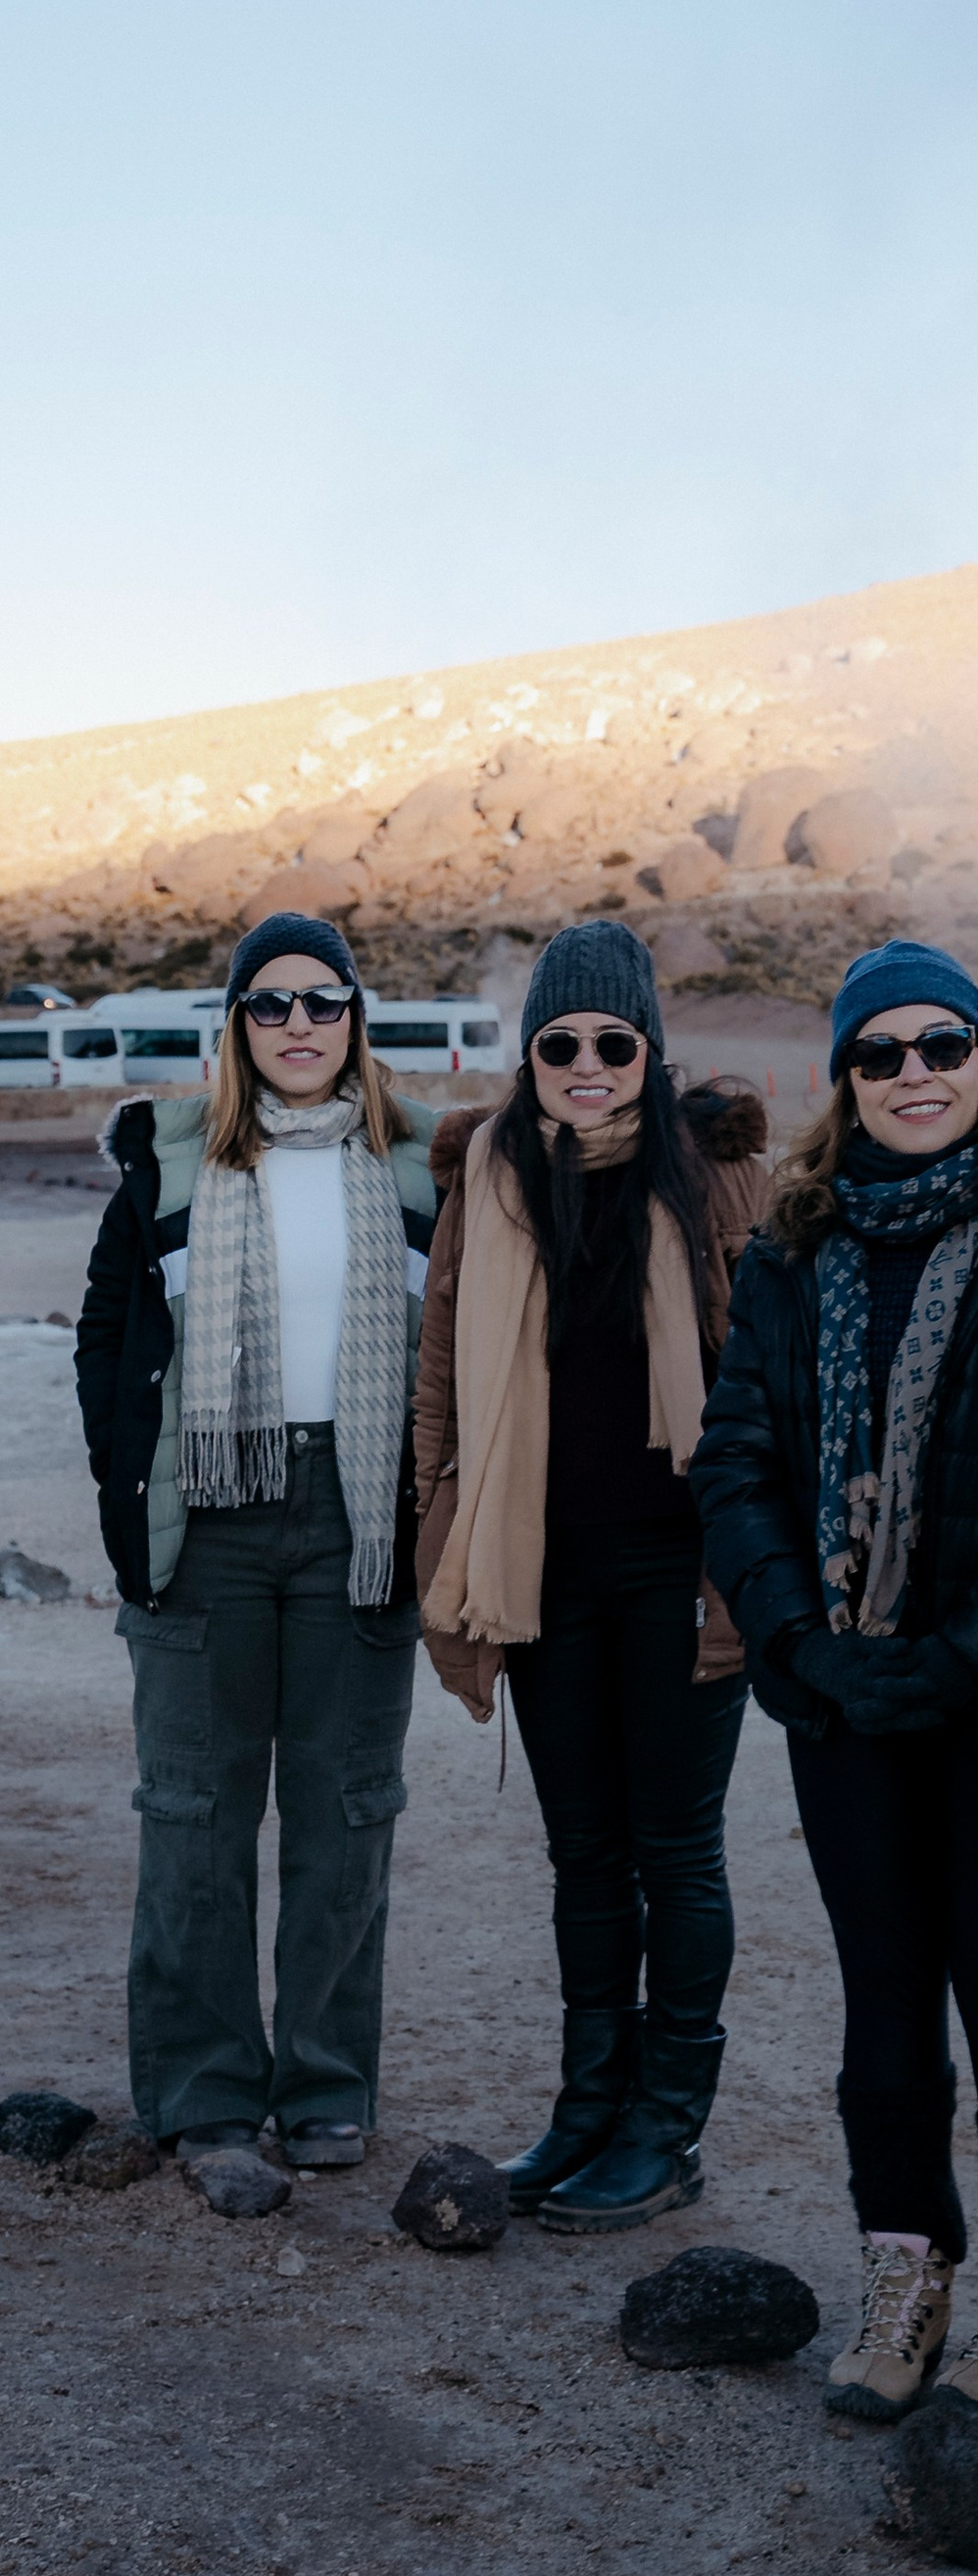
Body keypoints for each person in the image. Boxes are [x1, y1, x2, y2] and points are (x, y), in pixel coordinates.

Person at [690, 940, 978, 2429]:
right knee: (882, 2001)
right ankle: (905, 2266)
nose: (915, 1074)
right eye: (883, 1053)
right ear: (845, 1078)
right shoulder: (793, 1253)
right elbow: (737, 1463)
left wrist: (947, 1660)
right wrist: (802, 1646)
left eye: (943, 1045)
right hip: (841, 1698)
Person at [74, 913, 443, 2211]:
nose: (298, 1028)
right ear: (236, 1025)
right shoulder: (167, 1165)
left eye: (323, 1004)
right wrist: (133, 1514)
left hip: (357, 1517)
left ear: (358, 1019)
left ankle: (327, 2088)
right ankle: (208, 2097)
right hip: (205, 1525)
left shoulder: (418, 1166)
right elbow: (108, 1340)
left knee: (348, 1822)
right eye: (270, 1006)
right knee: (193, 1823)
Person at [415, 923, 768, 2235]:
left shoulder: (711, 1178)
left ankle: (667, 2130)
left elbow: (763, 1373)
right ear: (531, 1053)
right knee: (581, 1851)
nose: (584, 1064)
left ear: (649, 1052)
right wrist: (434, 1530)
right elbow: (443, 1375)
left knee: (676, 1852)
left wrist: (759, 1554)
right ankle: (587, 2104)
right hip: (539, 1568)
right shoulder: (490, 1177)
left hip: (683, 1569)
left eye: (612, 1043)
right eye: (557, 1044)